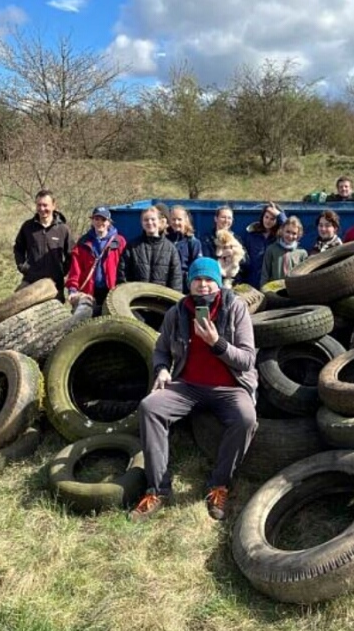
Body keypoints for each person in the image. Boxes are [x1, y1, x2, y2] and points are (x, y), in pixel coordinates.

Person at [129, 256, 258, 523]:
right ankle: (157, 489)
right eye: (198, 280)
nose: (203, 285)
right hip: (188, 386)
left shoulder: (235, 308)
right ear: (190, 284)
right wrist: (162, 369)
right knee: (150, 407)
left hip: (229, 386)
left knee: (246, 419)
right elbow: (161, 349)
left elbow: (246, 360)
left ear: (219, 283)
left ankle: (219, 485)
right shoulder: (177, 313)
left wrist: (216, 342)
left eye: (209, 280)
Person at [13, 189, 74, 301]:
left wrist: (61, 271)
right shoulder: (28, 227)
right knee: (14, 304)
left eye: (45, 205)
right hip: (31, 281)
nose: (42, 209)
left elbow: (71, 254)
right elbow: (18, 248)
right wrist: (23, 266)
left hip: (54, 284)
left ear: (54, 205)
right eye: (39, 205)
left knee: (55, 316)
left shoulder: (63, 229)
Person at [66, 206, 126, 314]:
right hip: (89, 294)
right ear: (92, 221)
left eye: (103, 219)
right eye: (96, 219)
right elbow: (76, 269)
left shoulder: (119, 242)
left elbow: (126, 269)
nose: (100, 222)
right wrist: (72, 290)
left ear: (109, 222)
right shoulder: (83, 242)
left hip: (112, 294)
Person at [118, 206, 183, 291]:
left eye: (153, 219)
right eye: (146, 220)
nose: (149, 222)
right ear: (142, 223)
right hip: (137, 300)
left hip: (161, 301)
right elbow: (122, 275)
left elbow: (176, 280)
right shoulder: (132, 246)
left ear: (159, 222)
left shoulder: (171, 249)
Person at [240, 202, 286, 289]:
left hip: (272, 282)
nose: (268, 221)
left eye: (272, 218)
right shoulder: (252, 234)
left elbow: (290, 227)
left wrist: (279, 214)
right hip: (253, 281)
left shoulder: (280, 237)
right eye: (266, 217)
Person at [261, 216, 308, 285]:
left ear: (298, 235)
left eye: (294, 233)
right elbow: (265, 273)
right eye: (287, 232)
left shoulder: (302, 253)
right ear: (282, 231)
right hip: (274, 291)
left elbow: (305, 277)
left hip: (294, 291)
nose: (290, 236)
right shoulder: (271, 249)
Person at [167, 205, 203, 293]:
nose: (176, 222)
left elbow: (197, 267)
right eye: (173, 219)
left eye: (179, 219)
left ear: (186, 220)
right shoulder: (164, 241)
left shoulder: (193, 243)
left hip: (185, 287)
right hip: (167, 285)